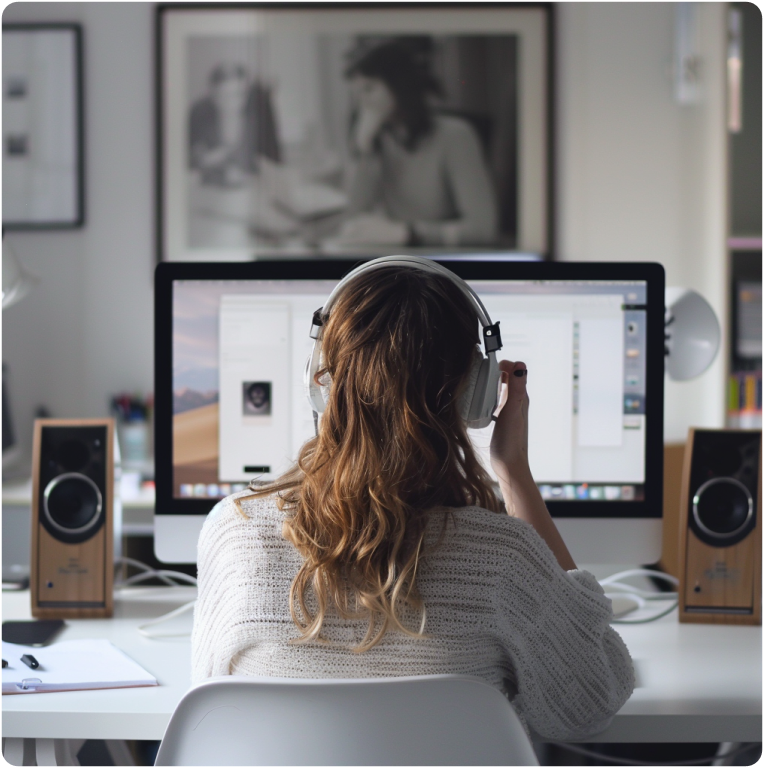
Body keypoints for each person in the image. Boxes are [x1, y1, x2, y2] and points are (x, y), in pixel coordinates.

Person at [191, 263, 634, 742]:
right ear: (477, 393)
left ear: (320, 380)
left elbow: (209, 704)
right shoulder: (502, 560)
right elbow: (592, 700)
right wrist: (514, 473)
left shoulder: (236, 534)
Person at [335, 39, 499, 248]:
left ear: (398, 85)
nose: (362, 103)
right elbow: (352, 219)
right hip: (400, 260)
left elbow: (483, 230)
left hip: (444, 262)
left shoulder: (455, 135)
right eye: (356, 94)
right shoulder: (380, 139)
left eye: (369, 89)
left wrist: (407, 233)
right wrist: (363, 149)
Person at [188, 63, 280, 187]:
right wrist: (208, 161)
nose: (233, 103)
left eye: (238, 94)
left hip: (251, 189)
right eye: (225, 96)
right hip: (212, 190)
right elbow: (191, 163)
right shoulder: (201, 119)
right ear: (213, 95)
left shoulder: (257, 121)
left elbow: (272, 162)